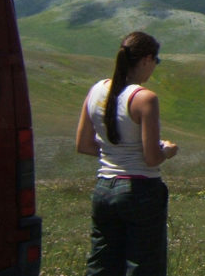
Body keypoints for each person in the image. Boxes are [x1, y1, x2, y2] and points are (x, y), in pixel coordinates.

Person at [76, 31, 179, 276]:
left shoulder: (96, 90)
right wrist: (167, 150)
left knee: (102, 263)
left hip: (104, 186)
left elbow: (83, 144)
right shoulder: (144, 98)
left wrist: (115, 152)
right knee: (143, 265)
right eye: (156, 61)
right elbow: (151, 158)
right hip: (139, 189)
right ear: (146, 59)